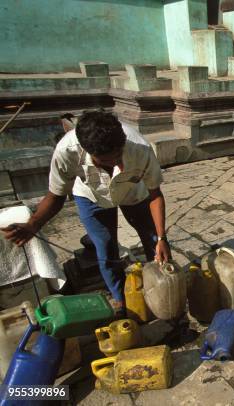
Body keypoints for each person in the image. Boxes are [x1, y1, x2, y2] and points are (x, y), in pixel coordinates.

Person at [1, 111, 171, 310]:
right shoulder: (66, 152)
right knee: (106, 250)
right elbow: (56, 196)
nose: (119, 164)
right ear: (88, 151)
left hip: (133, 192)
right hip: (91, 196)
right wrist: (33, 224)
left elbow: (155, 195)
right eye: (108, 161)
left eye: (119, 155)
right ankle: (122, 301)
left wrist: (161, 238)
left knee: (153, 242)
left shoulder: (140, 148)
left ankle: (163, 293)